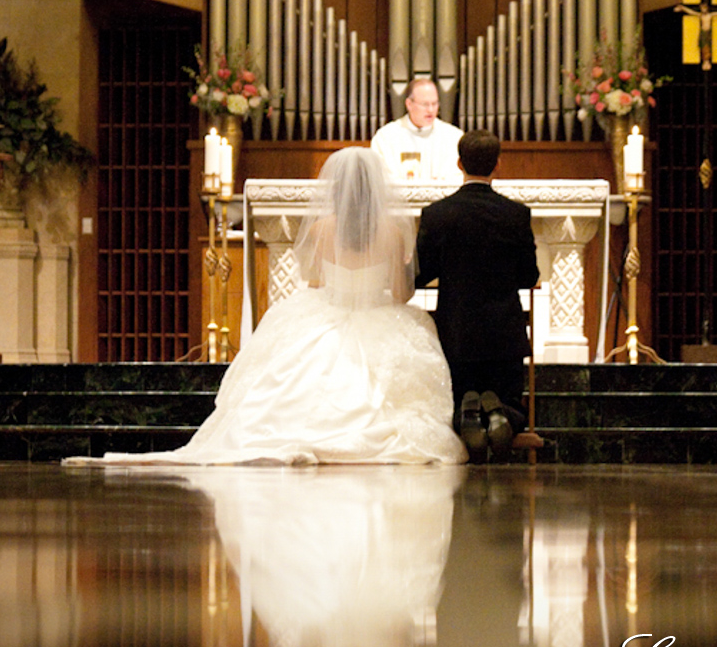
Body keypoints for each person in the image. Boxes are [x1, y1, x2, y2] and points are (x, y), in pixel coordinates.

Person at [72, 147, 465, 466]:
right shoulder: (393, 231)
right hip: (380, 318)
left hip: (332, 309)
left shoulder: (322, 227)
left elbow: (314, 281)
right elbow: (401, 294)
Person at [415, 130, 540, 460]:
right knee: (515, 403)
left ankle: (466, 413)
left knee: (457, 395)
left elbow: (421, 274)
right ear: (498, 164)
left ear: (459, 163)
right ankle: (501, 412)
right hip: (505, 335)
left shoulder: (438, 214)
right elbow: (530, 276)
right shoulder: (516, 214)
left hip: (457, 334)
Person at [370, 78, 463, 182]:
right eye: (425, 104)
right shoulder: (386, 137)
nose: (431, 110)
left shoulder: (453, 137)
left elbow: (458, 177)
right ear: (409, 104)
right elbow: (381, 179)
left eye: (435, 104)